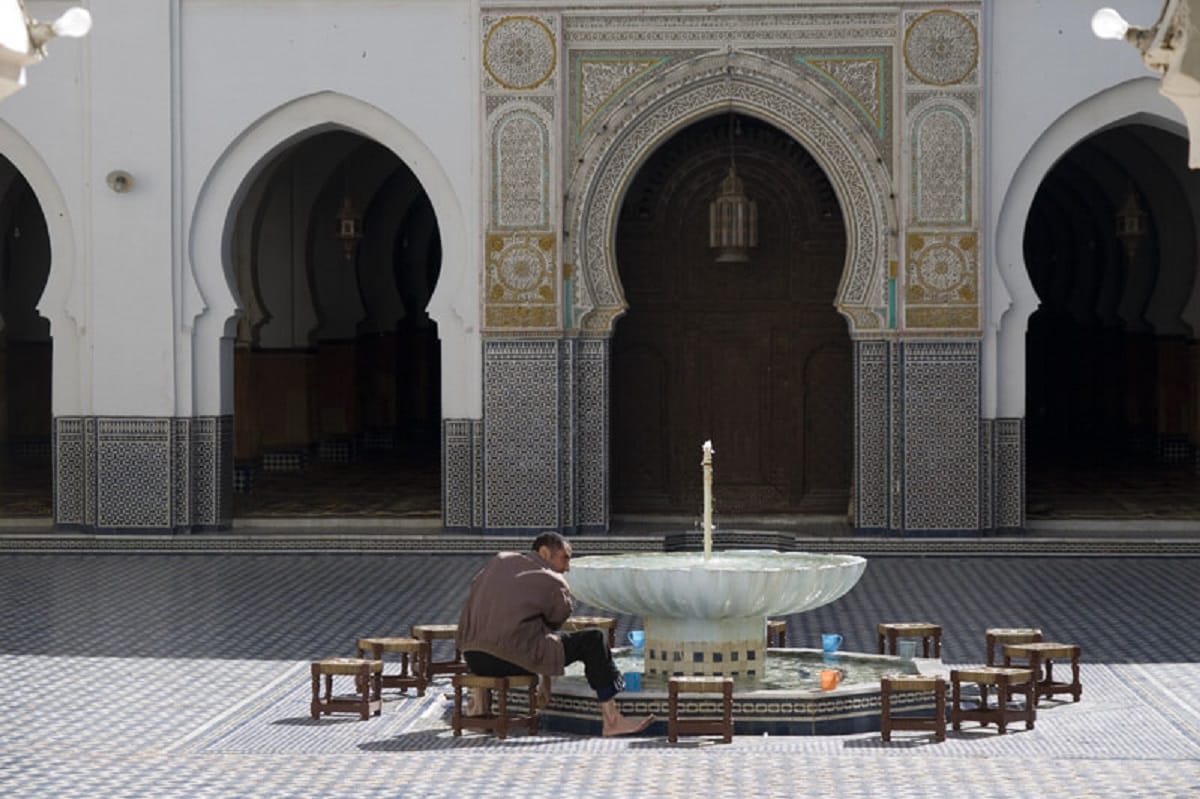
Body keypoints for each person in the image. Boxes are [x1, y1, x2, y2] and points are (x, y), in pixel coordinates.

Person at [456, 531, 654, 736]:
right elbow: (554, 624)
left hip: (473, 658)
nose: (567, 567)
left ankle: (478, 710)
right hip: (507, 659)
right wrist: (546, 679)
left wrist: (546, 679)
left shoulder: (499, 562)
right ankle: (612, 720)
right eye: (565, 558)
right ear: (544, 553)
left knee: (494, 635)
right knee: (593, 640)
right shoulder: (551, 579)